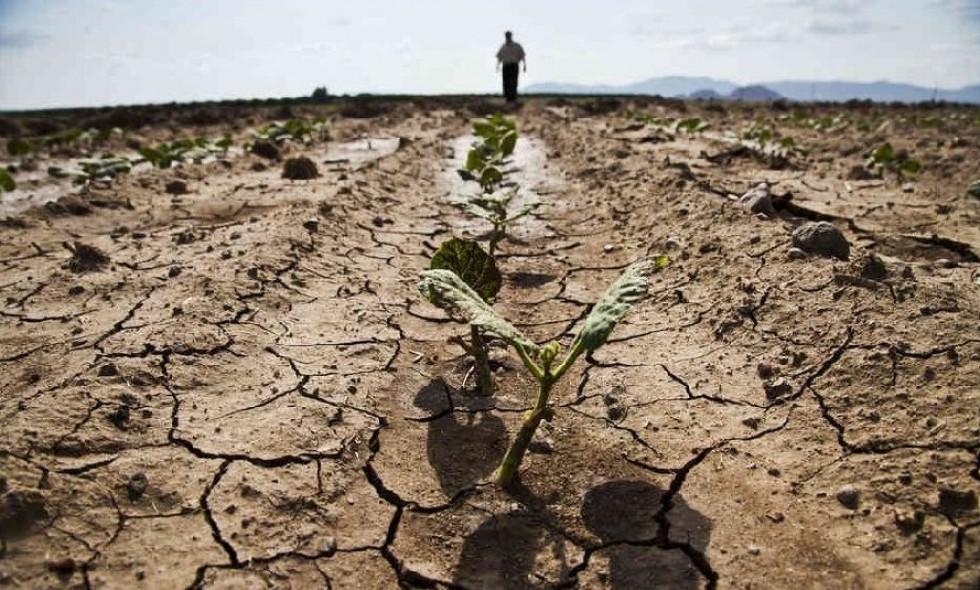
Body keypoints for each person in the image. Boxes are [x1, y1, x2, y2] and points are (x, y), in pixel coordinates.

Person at [495, 31, 526, 103]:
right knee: (506, 82)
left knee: (513, 82)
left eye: (508, 36)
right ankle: (508, 99)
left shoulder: (517, 46)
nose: (507, 37)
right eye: (506, 36)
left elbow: (522, 56)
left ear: (511, 36)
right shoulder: (503, 47)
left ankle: (513, 98)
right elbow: (499, 57)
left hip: (514, 65)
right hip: (506, 66)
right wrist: (497, 66)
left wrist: (524, 66)